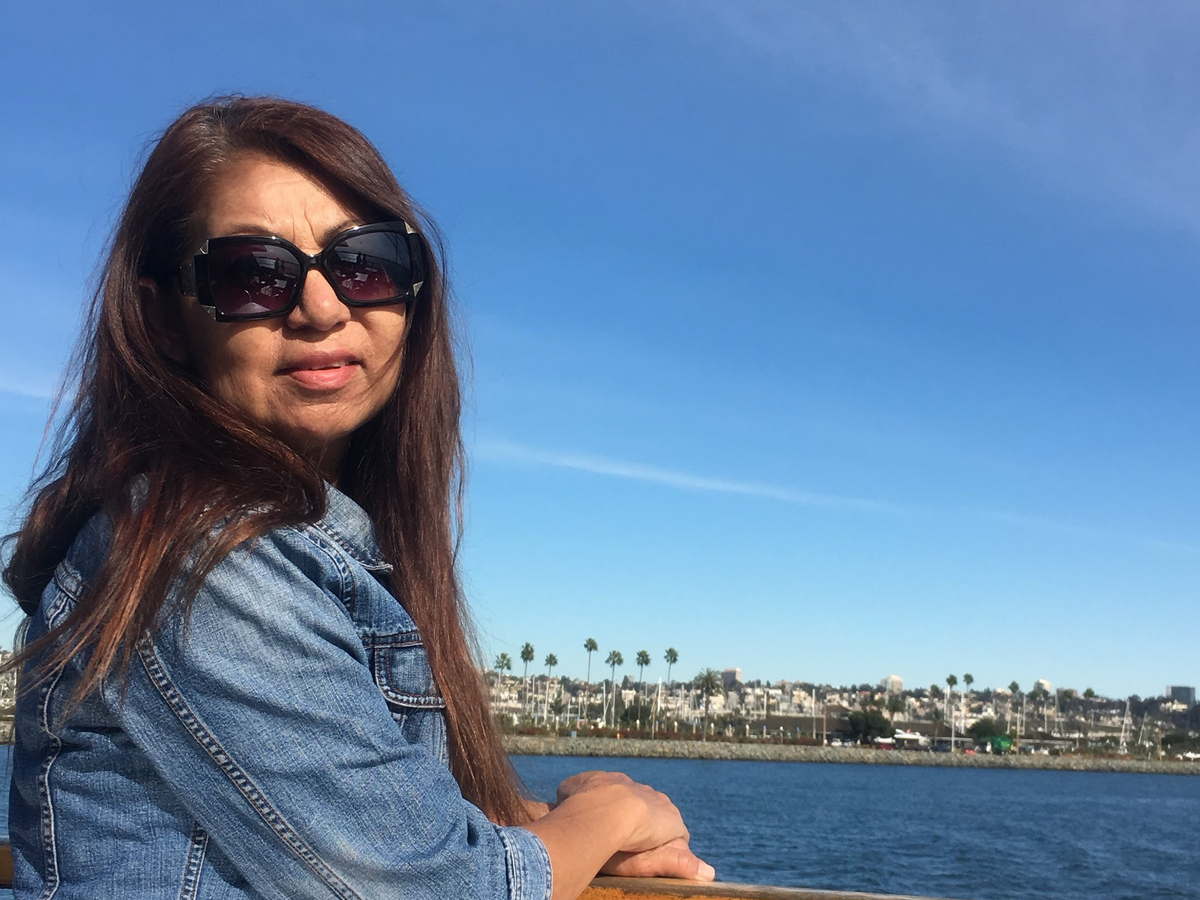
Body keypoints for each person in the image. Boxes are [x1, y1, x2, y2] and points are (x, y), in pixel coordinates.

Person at [2, 96, 714, 900]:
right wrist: (614, 813)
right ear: (165, 318)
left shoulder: (293, 543)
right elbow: (444, 890)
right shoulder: (204, 557)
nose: (323, 308)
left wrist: (528, 823)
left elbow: (370, 822)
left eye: (364, 263)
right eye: (255, 274)